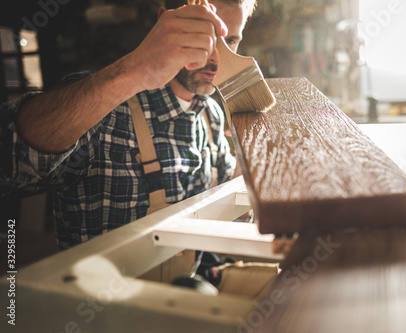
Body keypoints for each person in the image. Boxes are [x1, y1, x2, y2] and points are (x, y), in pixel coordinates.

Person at [0, 0, 255, 250]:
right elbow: (10, 167)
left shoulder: (211, 113)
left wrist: (251, 166)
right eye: (204, 35)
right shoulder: (104, 107)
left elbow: (229, 198)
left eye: (230, 40)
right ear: (164, 22)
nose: (216, 57)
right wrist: (136, 68)